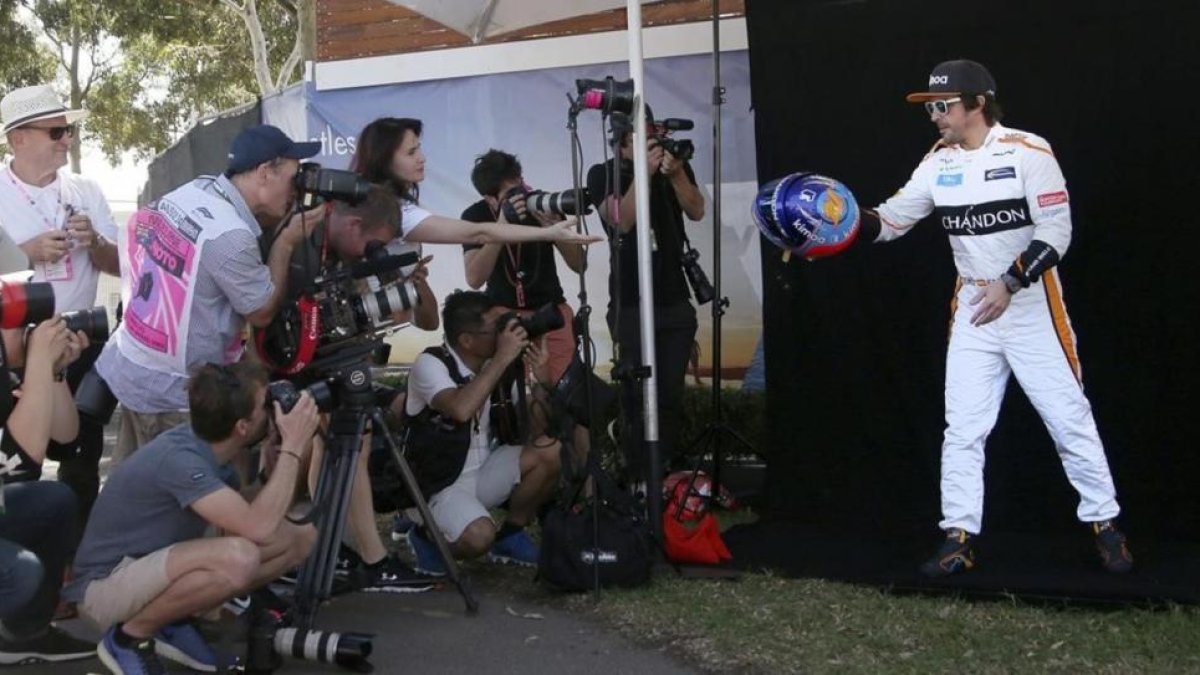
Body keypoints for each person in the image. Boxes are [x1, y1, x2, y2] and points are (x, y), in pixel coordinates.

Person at [858, 59, 1132, 577]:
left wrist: (1010, 282)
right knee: (962, 428)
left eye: (944, 105)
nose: (935, 115)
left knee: (1067, 419)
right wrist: (842, 222)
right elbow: (891, 221)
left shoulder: (1028, 151)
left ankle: (1107, 526)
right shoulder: (938, 162)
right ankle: (957, 537)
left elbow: (1056, 231)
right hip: (973, 310)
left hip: (1029, 303)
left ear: (977, 104)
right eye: (930, 107)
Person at [64, 361, 319, 674]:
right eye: (266, 406)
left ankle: (170, 619)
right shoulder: (181, 460)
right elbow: (257, 528)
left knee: (299, 537)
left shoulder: (211, 445)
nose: (275, 410)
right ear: (242, 427)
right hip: (104, 589)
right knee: (240, 558)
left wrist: (274, 469)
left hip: (147, 567)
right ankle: (128, 638)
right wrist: (294, 447)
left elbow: (242, 513)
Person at [94, 124, 320, 462]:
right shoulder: (229, 235)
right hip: (173, 397)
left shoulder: (195, 191)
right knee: (179, 504)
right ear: (264, 173)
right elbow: (260, 311)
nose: (296, 190)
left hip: (135, 368)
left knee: (133, 490)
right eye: (294, 177)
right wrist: (286, 243)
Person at [257, 184, 439, 593]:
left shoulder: (351, 245)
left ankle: (339, 550)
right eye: (371, 245)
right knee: (293, 451)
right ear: (354, 222)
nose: (368, 254)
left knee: (338, 443)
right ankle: (289, 559)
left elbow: (426, 320)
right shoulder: (299, 239)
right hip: (287, 364)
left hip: (334, 361)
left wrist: (408, 281)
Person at [0, 84, 120, 520]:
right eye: (56, 132)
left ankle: (77, 562)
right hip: (13, 351)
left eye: (67, 130)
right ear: (19, 139)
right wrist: (24, 251)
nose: (67, 140)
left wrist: (97, 243)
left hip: (79, 343)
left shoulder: (85, 189)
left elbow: (122, 265)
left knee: (81, 461)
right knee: (16, 463)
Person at [403, 291, 561, 575]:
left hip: (482, 474)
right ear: (466, 340)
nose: (504, 334)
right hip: (439, 485)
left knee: (550, 450)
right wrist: (502, 357)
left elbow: (540, 426)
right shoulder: (431, 364)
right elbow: (460, 409)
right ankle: (425, 535)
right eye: (496, 328)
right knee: (478, 538)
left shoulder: (498, 364)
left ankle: (511, 533)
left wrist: (542, 379)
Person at [586, 109, 706, 481]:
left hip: (673, 297)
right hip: (631, 301)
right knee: (636, 395)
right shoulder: (602, 173)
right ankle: (635, 471)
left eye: (652, 131)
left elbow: (697, 209)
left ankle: (663, 471)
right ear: (623, 138)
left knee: (669, 394)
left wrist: (676, 172)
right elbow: (620, 219)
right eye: (642, 134)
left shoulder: (670, 166)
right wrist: (644, 172)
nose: (652, 139)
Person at [0, 247, 95, 665]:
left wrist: (52, 371)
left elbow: (64, 440)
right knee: (18, 572)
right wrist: (38, 362)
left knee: (55, 502)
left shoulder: (15, 352)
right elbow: (15, 460)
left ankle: (25, 635)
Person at [351, 117, 602, 248]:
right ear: (384, 161)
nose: (422, 158)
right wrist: (547, 233)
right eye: (410, 153)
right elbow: (479, 233)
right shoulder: (388, 210)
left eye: (419, 149)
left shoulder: (386, 203)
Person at [460, 149, 585, 384]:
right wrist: (500, 228)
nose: (521, 196)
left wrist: (556, 231)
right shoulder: (475, 215)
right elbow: (474, 278)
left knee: (562, 392)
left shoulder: (540, 203)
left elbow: (580, 264)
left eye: (521, 185)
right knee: (514, 398)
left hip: (550, 313)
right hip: (503, 314)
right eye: (511, 194)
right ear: (490, 199)